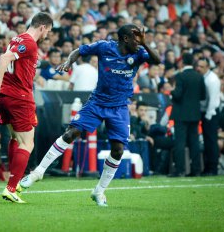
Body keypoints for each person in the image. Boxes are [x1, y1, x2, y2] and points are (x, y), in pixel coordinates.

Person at [20, 24, 161, 207]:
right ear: (125, 38)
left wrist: (145, 43)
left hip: (119, 107)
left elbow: (157, 61)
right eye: (136, 37)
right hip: (97, 103)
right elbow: (79, 50)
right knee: (71, 133)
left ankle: (99, 191)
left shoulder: (139, 52)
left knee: (118, 150)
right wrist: (70, 62)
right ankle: (37, 173)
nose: (139, 41)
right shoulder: (105, 47)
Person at [0, 12, 53, 203]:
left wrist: (0, 88)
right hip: (19, 97)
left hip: (6, 97)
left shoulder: (17, 38)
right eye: (48, 31)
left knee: (16, 138)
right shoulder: (30, 42)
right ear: (42, 27)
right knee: (28, 143)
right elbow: (3, 59)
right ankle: (11, 188)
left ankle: (13, 182)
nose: (47, 35)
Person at [170, 53, 206, 177]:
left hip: (181, 114)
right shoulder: (199, 76)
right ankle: (196, 170)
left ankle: (180, 170)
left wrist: (172, 91)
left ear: (182, 62)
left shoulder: (180, 76)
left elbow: (178, 94)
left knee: (180, 142)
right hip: (195, 114)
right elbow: (203, 96)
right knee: (194, 142)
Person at [196, 58, 221, 176]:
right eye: (198, 66)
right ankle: (208, 167)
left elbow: (213, 100)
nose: (198, 68)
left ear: (207, 67)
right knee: (207, 141)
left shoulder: (212, 80)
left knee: (211, 141)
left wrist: (208, 116)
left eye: (201, 66)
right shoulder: (205, 77)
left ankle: (213, 167)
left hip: (211, 114)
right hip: (205, 112)